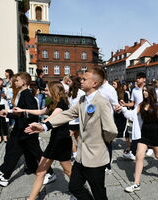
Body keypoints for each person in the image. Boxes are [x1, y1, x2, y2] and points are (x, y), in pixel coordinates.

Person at [25, 67, 118, 200]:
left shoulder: (102, 102)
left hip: (96, 157)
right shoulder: (82, 100)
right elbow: (67, 114)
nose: (81, 80)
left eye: (85, 79)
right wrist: (44, 126)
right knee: (74, 187)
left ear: (95, 83)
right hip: (81, 157)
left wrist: (101, 143)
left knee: (99, 192)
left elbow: (112, 130)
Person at [0, 72, 54, 187]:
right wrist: (7, 114)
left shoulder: (27, 95)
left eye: (17, 80)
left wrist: (29, 126)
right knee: (21, 152)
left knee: (35, 153)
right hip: (23, 130)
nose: (15, 82)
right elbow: (20, 113)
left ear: (23, 82)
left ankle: (49, 173)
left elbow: (32, 114)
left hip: (27, 131)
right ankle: (6, 175)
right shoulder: (23, 94)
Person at [14, 81, 72, 200]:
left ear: (53, 91)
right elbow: (41, 112)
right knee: (40, 172)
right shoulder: (52, 103)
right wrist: (23, 110)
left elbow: (50, 120)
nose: (44, 92)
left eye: (46, 90)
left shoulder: (61, 104)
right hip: (54, 141)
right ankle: (31, 199)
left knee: (68, 171)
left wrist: (39, 126)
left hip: (62, 142)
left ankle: (81, 191)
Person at [117, 85, 158, 193]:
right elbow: (132, 116)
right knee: (139, 157)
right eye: (143, 91)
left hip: (155, 134)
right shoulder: (141, 105)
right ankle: (136, 183)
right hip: (143, 135)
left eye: (146, 91)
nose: (144, 93)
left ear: (151, 92)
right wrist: (123, 109)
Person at [121, 72, 153, 159]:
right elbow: (133, 103)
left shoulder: (149, 89)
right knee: (136, 133)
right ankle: (133, 151)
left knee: (146, 132)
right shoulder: (134, 90)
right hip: (137, 114)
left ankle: (149, 147)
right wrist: (125, 105)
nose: (137, 79)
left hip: (146, 115)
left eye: (139, 78)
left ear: (144, 79)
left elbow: (153, 101)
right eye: (137, 78)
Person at [67, 76, 85, 162]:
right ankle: (79, 153)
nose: (68, 82)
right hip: (70, 118)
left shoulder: (81, 93)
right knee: (76, 136)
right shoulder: (69, 92)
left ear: (74, 82)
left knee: (69, 137)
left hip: (77, 119)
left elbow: (83, 105)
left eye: (69, 81)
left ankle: (75, 154)